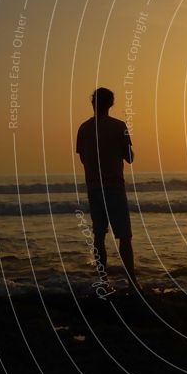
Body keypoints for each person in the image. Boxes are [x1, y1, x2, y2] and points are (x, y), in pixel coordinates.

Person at [76, 87, 138, 290]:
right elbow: (129, 158)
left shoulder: (83, 128)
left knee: (99, 234)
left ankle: (104, 281)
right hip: (114, 187)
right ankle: (132, 282)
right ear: (111, 104)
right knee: (125, 236)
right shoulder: (119, 126)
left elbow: (84, 158)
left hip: (94, 188)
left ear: (92, 103)